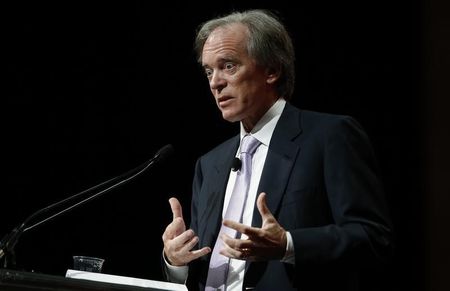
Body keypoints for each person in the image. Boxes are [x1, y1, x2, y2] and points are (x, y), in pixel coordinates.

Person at [161, 9, 393, 291]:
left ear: (272, 70)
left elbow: (372, 237)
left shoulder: (329, 137)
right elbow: (202, 269)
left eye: (229, 66)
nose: (215, 82)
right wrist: (177, 261)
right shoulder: (209, 164)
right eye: (209, 71)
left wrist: (288, 245)